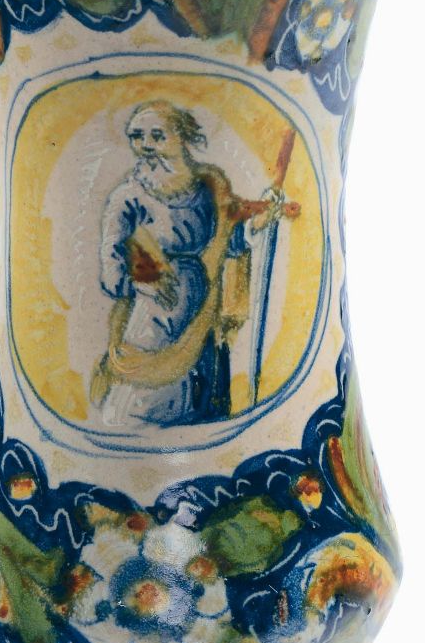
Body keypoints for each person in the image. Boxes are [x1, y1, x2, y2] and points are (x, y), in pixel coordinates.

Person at [90, 101, 282, 428]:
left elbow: (229, 237)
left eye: (157, 136)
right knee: (143, 399)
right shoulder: (128, 196)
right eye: (137, 137)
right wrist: (138, 283)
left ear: (181, 136)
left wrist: (257, 225)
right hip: (156, 307)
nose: (146, 145)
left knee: (200, 393)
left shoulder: (209, 188)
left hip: (201, 305)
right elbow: (112, 254)